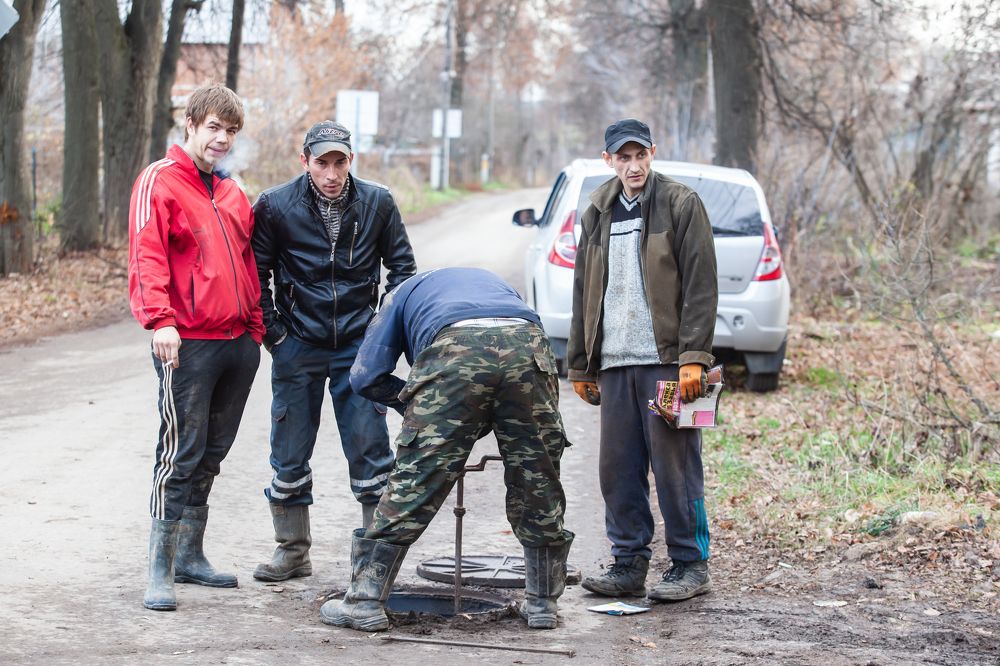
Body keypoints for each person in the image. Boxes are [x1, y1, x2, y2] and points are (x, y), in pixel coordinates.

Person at [319, 267, 575, 632]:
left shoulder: (396, 298)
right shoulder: (492, 283)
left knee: (415, 480)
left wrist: (416, 405)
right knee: (537, 474)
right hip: (527, 345)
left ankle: (363, 601)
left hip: (456, 350)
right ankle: (542, 603)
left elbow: (365, 376)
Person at [251, 120, 417, 583]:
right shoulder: (275, 205)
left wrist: (380, 334)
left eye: (339, 162)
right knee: (288, 450)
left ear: (351, 160)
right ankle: (292, 551)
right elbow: (255, 276)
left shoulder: (378, 202)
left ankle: (373, 559)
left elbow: (402, 270)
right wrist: (275, 337)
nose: (331, 173)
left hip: (358, 350)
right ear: (304, 161)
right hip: (297, 346)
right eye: (321, 162)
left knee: (371, 450)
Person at [567, 118, 718, 602]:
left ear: (652, 152)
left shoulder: (680, 203)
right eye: (623, 157)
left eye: (640, 155)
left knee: (676, 466)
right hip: (614, 362)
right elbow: (583, 291)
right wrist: (579, 363)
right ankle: (628, 563)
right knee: (618, 468)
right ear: (607, 159)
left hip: (667, 363)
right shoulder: (596, 211)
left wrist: (693, 357)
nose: (633, 166)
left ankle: (690, 566)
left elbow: (700, 283)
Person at [128, 83, 264, 611]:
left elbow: (248, 262)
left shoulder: (231, 192)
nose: (222, 139)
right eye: (214, 127)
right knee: (179, 454)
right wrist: (160, 320)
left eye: (230, 131)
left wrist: (254, 328)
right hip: (185, 343)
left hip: (237, 344)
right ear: (191, 125)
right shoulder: (159, 181)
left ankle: (190, 555)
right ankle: (159, 568)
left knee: (212, 454)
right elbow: (147, 254)